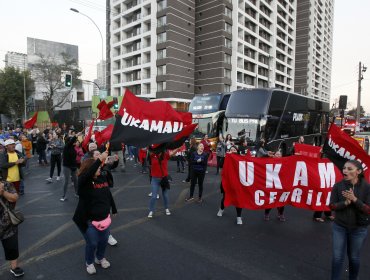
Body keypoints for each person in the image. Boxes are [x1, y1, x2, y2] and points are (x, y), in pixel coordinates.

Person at [73, 153, 117, 275]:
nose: (100, 169)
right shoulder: (83, 182)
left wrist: (114, 209)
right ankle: (89, 262)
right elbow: (86, 175)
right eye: (97, 168)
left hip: (103, 218)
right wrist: (99, 159)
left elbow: (108, 194)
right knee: (92, 242)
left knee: (103, 241)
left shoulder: (101, 178)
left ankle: (100, 258)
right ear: (89, 169)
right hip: (87, 220)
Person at [329, 160, 370, 280]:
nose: (345, 171)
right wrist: (345, 203)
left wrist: (355, 200)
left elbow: (368, 210)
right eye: (344, 168)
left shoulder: (367, 187)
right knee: (337, 257)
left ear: (359, 171)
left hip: (359, 229)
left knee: (354, 257)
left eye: (349, 169)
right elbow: (332, 206)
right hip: (340, 227)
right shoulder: (338, 186)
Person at [0, 180, 24, 277]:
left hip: (7, 223)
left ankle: (14, 267)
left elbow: (15, 198)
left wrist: (3, 192)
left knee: (12, 246)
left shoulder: (6, 184)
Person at [147, 147, 179, 218]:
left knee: (165, 195)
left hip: (164, 179)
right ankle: (151, 210)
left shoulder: (165, 155)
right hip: (155, 179)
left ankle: (166, 208)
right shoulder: (152, 155)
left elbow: (173, 152)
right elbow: (148, 149)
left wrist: (179, 147)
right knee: (154, 196)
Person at [216, 145, 243, 225]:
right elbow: (220, 165)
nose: (233, 150)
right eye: (231, 149)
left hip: (238, 183)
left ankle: (239, 217)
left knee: (238, 199)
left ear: (237, 151)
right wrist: (225, 157)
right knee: (225, 197)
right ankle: (221, 209)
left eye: (234, 149)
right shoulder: (226, 157)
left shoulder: (240, 159)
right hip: (227, 182)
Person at [264, 151, 286, 222]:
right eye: (277, 154)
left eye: (280, 154)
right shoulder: (270, 160)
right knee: (270, 200)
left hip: (280, 185)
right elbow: (260, 161)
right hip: (271, 184)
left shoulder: (284, 162)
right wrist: (266, 155)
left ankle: (281, 214)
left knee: (282, 201)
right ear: (274, 155)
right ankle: (266, 213)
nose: (278, 155)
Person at [61, 135, 79, 201]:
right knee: (66, 181)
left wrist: (75, 166)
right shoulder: (66, 147)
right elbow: (71, 142)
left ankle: (77, 193)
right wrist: (76, 135)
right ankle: (63, 196)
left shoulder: (73, 148)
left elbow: (74, 158)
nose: (76, 142)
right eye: (74, 141)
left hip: (73, 166)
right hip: (66, 166)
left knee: (76, 180)